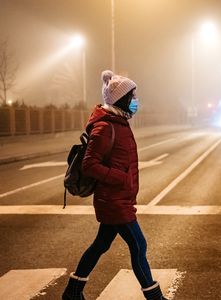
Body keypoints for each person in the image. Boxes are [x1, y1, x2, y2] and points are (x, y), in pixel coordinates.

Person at [62, 70, 166, 300]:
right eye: (133, 96)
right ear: (121, 98)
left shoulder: (118, 122)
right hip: (113, 200)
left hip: (119, 198)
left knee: (100, 245)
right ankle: (154, 297)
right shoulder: (105, 126)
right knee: (138, 246)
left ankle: (73, 291)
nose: (136, 100)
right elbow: (89, 165)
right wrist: (119, 177)